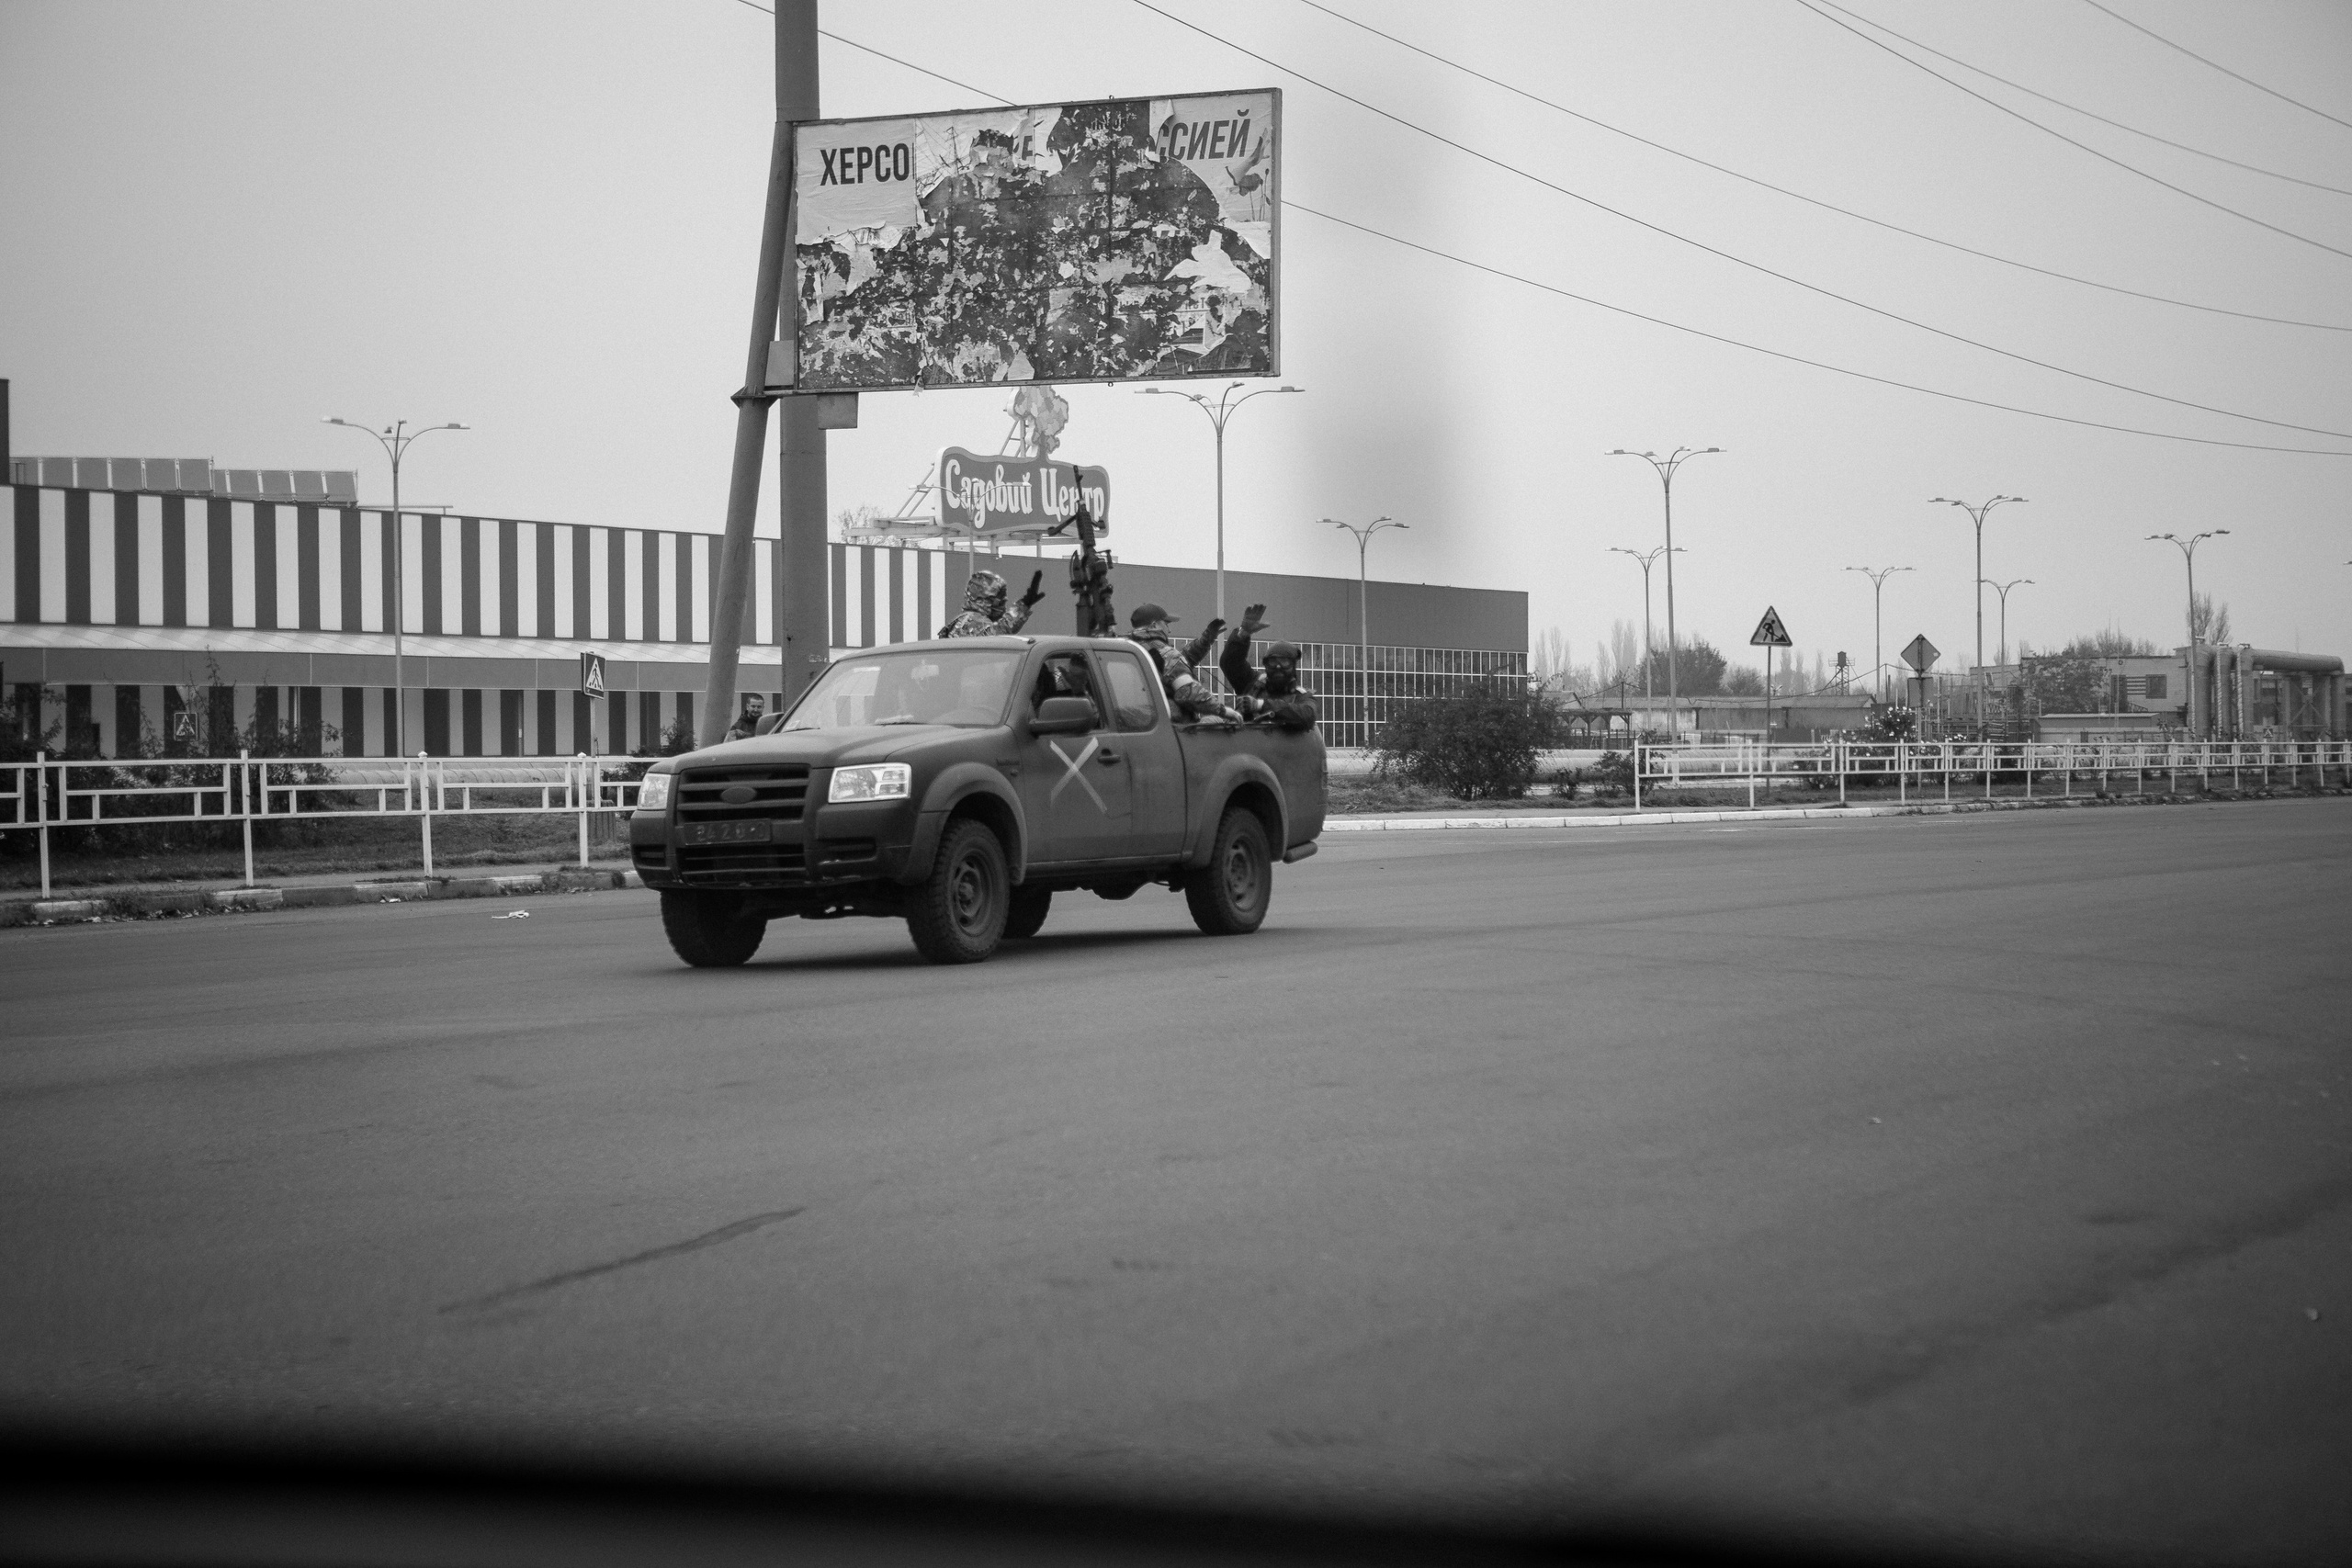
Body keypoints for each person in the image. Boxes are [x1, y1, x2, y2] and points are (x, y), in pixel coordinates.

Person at [1127, 602, 1240, 723]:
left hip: (1139, 722)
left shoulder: (1129, 649)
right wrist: (1224, 711)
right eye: (1166, 624)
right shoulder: (1166, 655)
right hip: (1173, 730)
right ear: (1154, 626)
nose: (1169, 630)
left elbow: (1177, 662)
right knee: (1214, 722)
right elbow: (1189, 693)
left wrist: (1206, 640)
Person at [1218, 604, 1319, 731]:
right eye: (1272, 661)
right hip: (1242, 748)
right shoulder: (1252, 684)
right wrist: (1244, 633)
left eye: (1284, 662)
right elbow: (1230, 663)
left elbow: (1307, 716)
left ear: (1293, 666)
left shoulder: (1303, 697)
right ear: (1265, 664)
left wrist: (1260, 705)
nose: (1278, 666)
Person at [941, 568, 1046, 637]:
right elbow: (997, 634)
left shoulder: (965, 620)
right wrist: (1024, 605)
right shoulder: (973, 620)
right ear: (982, 599)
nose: (1004, 600)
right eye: (998, 597)